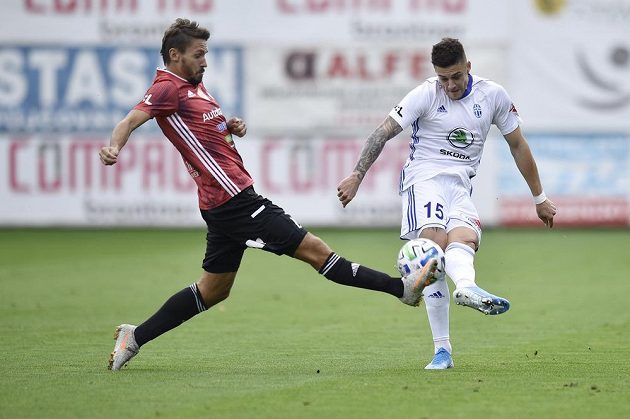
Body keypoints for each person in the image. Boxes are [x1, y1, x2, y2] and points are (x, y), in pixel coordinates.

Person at [100, 18, 439, 371]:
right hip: (237, 203)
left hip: (223, 204)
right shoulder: (167, 88)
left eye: (206, 54)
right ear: (175, 55)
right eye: (198, 54)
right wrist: (114, 147)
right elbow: (129, 121)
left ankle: (134, 336)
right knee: (316, 251)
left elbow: (202, 129)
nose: (205, 61)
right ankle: (402, 289)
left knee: (214, 291)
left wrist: (228, 125)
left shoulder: (193, 86)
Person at [337, 38, 557, 370]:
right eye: (443, 78)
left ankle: (467, 288)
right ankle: (442, 350)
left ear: (468, 67)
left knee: (465, 240)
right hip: (423, 179)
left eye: (455, 76)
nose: (450, 85)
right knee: (432, 249)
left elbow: (518, 145)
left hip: (460, 185)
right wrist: (356, 174)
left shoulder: (493, 95)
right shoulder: (425, 93)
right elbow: (381, 132)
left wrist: (539, 198)